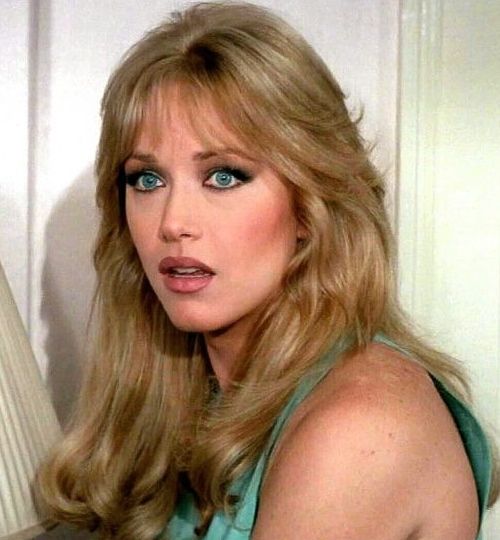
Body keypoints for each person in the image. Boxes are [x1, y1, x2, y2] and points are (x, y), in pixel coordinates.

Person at [37, 2, 498, 539]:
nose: (173, 222)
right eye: (147, 180)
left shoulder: (363, 424)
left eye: (224, 177)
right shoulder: (194, 399)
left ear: (309, 204)